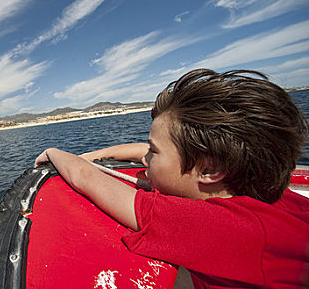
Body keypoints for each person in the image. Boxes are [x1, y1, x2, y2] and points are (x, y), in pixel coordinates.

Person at [34, 69, 309, 288]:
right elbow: (141, 150)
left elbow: (86, 179)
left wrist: (54, 152)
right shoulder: (266, 196)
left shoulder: (216, 227)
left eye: (154, 152)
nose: (144, 159)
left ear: (210, 170)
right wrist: (93, 154)